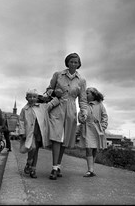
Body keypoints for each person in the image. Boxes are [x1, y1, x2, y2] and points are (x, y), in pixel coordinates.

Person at [45, 52, 88, 180]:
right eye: (71, 61)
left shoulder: (81, 80)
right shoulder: (58, 75)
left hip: (71, 111)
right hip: (57, 108)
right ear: (67, 62)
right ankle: (53, 168)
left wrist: (84, 112)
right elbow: (48, 90)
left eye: (76, 62)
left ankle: (57, 166)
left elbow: (83, 100)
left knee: (64, 141)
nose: (73, 64)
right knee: (56, 138)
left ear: (79, 64)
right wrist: (54, 92)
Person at [19, 89, 61, 179]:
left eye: (34, 97)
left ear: (37, 98)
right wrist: (22, 132)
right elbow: (21, 121)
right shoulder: (24, 109)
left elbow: (51, 104)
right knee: (32, 148)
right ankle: (29, 161)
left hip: (39, 132)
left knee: (36, 150)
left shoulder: (42, 107)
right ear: (26, 98)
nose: (32, 98)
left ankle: (33, 169)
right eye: (30, 97)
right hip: (30, 133)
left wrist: (57, 97)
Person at [78, 87, 108, 177]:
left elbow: (104, 116)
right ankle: (90, 170)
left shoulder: (100, 105)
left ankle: (92, 169)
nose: (86, 95)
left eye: (88, 93)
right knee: (89, 148)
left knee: (95, 148)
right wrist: (81, 119)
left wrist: (103, 126)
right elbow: (80, 116)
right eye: (85, 93)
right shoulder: (84, 105)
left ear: (93, 95)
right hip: (87, 129)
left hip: (97, 129)